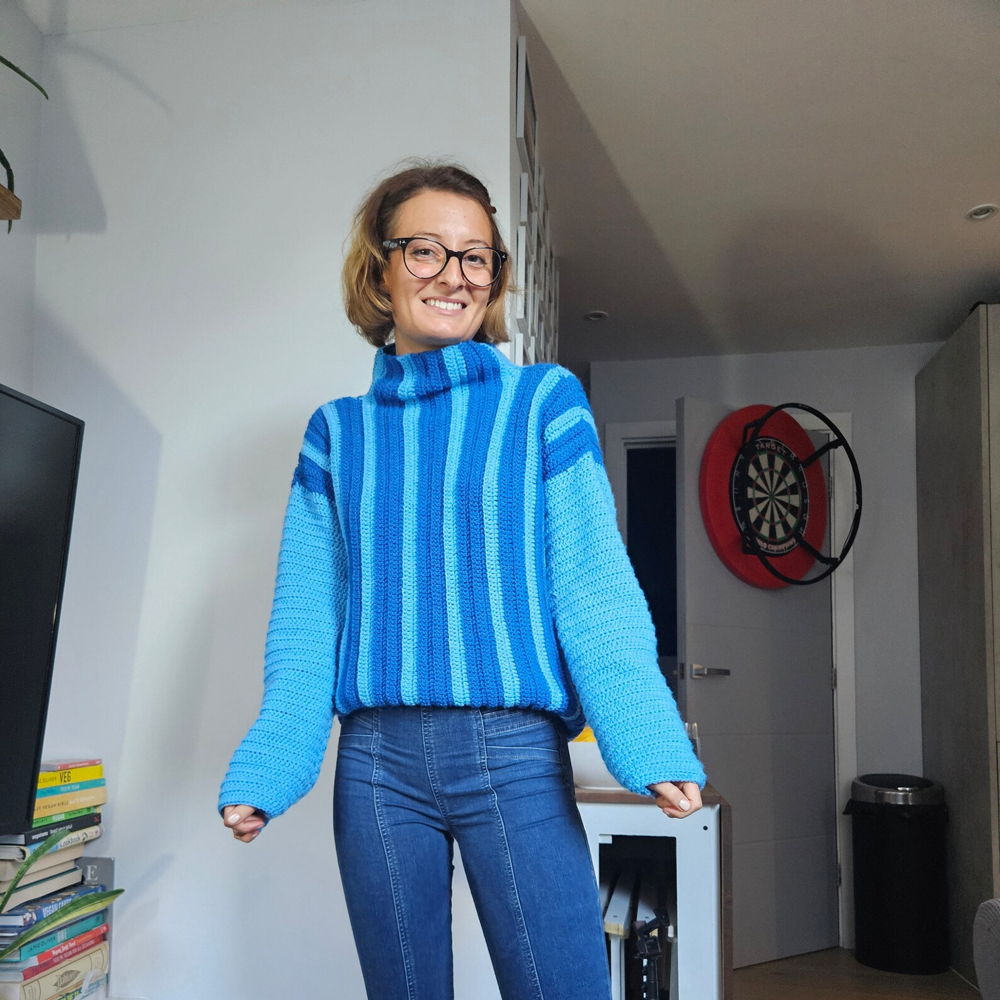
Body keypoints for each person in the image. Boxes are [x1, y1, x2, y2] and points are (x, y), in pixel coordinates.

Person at [219, 161, 706, 999]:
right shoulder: (337, 434)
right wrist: (276, 758)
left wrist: (645, 733)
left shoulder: (543, 402)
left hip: (513, 754)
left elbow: (592, 583)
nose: (454, 275)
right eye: (425, 250)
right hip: (376, 766)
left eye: (476, 256)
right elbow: (308, 614)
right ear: (380, 268)